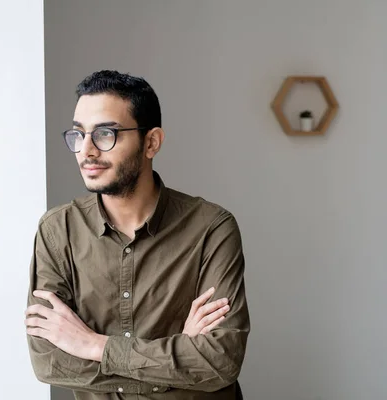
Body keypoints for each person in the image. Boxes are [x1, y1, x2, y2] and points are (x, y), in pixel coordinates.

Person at [24, 70, 250, 399]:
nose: (86, 150)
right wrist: (181, 358)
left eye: (104, 134)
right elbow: (51, 363)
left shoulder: (211, 228)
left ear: (151, 142)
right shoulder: (57, 231)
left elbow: (220, 360)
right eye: (78, 134)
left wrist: (92, 345)